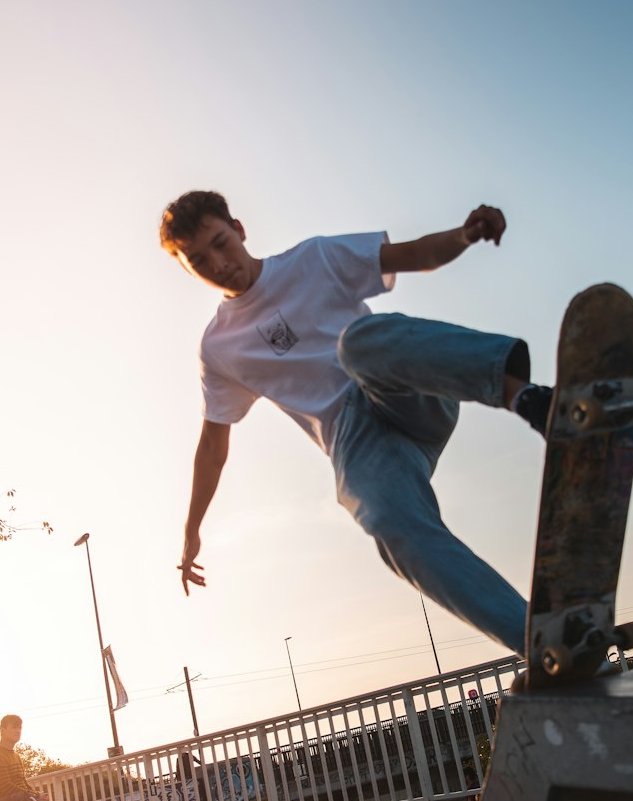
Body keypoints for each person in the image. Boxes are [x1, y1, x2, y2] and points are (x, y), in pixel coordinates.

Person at [159, 190, 554, 658]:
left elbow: (417, 254)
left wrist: (465, 235)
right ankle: (541, 642)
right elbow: (212, 446)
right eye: (199, 260)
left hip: (401, 385)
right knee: (389, 527)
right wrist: (191, 532)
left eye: (221, 244)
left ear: (240, 230)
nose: (218, 264)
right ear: (186, 268)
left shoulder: (314, 258)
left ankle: (529, 399)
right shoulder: (218, 348)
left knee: (358, 343)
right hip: (358, 443)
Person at [0, 715, 67, 801]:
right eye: (14, 727)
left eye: (20, 728)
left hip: (20, 799)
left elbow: (23, 783)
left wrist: (37, 795)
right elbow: (7, 788)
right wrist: (35, 796)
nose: (18, 731)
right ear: (2, 731)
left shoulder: (16, 756)